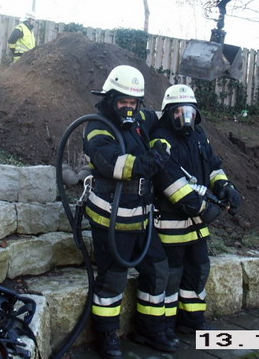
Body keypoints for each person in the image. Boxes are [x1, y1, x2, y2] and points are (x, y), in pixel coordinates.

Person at [83, 65, 178, 358]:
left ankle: (150, 329)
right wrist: (147, 163)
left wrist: (161, 142)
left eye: (133, 102)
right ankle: (107, 336)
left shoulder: (139, 120)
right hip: (111, 217)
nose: (128, 107)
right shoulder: (98, 126)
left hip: (142, 217)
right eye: (123, 101)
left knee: (158, 269)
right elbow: (113, 164)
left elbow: (163, 121)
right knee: (113, 279)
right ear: (111, 99)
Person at [150, 84, 242, 341]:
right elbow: (166, 177)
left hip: (197, 225)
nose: (184, 118)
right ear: (168, 113)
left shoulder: (200, 136)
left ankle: (192, 321)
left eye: (188, 112)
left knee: (198, 269)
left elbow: (213, 167)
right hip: (171, 223)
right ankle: (165, 327)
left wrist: (225, 186)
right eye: (178, 112)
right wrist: (198, 206)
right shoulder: (160, 137)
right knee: (171, 276)